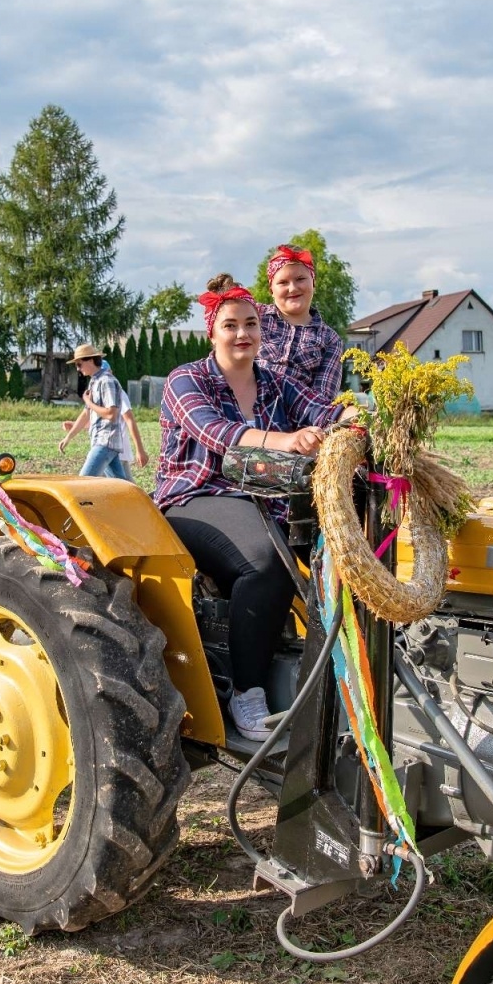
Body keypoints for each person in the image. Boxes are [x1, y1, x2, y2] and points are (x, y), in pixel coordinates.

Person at [156, 277, 353, 741]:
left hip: (267, 503)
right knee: (269, 564)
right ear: (212, 332)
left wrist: (360, 418)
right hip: (196, 499)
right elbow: (217, 434)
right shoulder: (187, 380)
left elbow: (322, 409)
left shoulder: (275, 383)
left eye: (250, 324)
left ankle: (336, 682)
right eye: (231, 325)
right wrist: (284, 440)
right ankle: (247, 693)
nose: (242, 334)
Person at [252, 244, 346, 404]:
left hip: (295, 419)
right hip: (244, 409)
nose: (293, 288)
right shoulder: (254, 316)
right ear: (271, 290)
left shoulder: (330, 340)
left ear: (313, 282)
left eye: (300, 279)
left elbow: (322, 398)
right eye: (283, 282)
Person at [58, 343, 147, 479]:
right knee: (122, 488)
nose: (77, 369)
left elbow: (111, 414)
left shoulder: (106, 381)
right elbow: (86, 414)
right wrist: (68, 437)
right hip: (104, 442)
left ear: (91, 360)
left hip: (105, 442)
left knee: (82, 483)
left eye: (79, 364)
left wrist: (88, 402)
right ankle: (141, 501)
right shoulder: (95, 382)